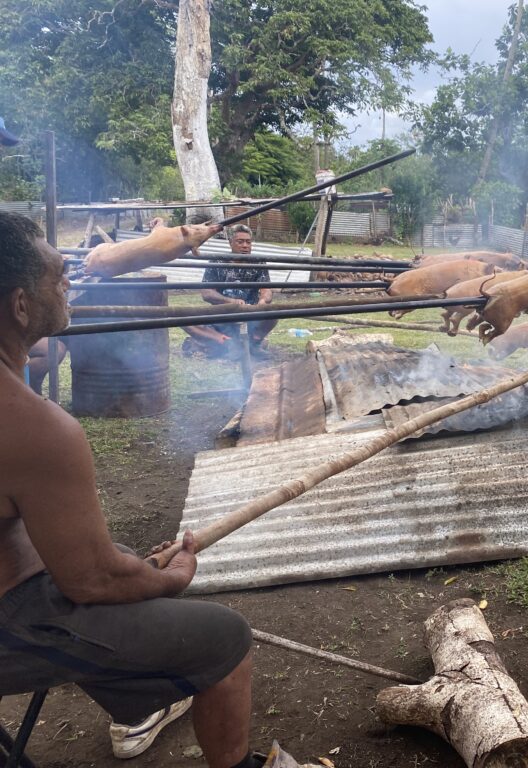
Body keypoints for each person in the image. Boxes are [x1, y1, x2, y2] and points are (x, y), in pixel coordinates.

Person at [0, 212, 309, 768]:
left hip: (23, 592)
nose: (69, 281)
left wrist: (125, 569)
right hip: (12, 619)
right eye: (56, 275)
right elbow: (91, 581)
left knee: (119, 566)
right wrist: (165, 580)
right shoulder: (35, 426)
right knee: (225, 638)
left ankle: (135, 706)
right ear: (21, 306)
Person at [182, 225, 277, 360]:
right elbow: (206, 293)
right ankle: (227, 343)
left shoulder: (258, 262)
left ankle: (253, 344)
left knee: (273, 314)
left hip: (250, 315)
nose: (245, 245)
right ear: (230, 243)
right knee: (185, 321)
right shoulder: (217, 261)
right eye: (240, 241)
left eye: (248, 242)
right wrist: (231, 302)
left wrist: (263, 301)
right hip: (222, 316)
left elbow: (266, 289)